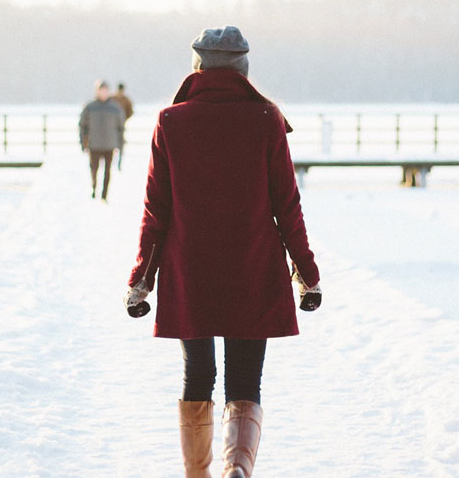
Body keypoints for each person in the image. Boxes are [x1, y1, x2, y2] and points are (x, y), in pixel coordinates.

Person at [123, 26, 323, 478]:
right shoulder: (266, 119)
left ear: (198, 67)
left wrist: (141, 280)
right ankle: (238, 470)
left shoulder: (171, 121)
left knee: (197, 375)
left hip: (189, 267)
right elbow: (286, 204)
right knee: (245, 382)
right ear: (243, 69)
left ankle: (198, 475)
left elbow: (156, 210)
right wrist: (307, 273)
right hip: (254, 264)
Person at [79, 80, 125, 201]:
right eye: (101, 90)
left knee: (108, 171)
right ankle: (94, 187)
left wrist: (120, 145)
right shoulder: (90, 107)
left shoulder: (115, 108)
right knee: (94, 169)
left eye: (105, 90)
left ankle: (104, 194)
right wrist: (83, 142)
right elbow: (82, 125)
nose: (103, 93)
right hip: (94, 144)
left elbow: (120, 127)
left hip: (110, 144)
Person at [111, 83, 134, 171]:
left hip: (120, 126)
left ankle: (119, 163)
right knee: (112, 144)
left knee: (120, 145)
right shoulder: (112, 99)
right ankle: (111, 162)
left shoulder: (126, 100)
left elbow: (130, 111)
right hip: (112, 126)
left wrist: (124, 119)